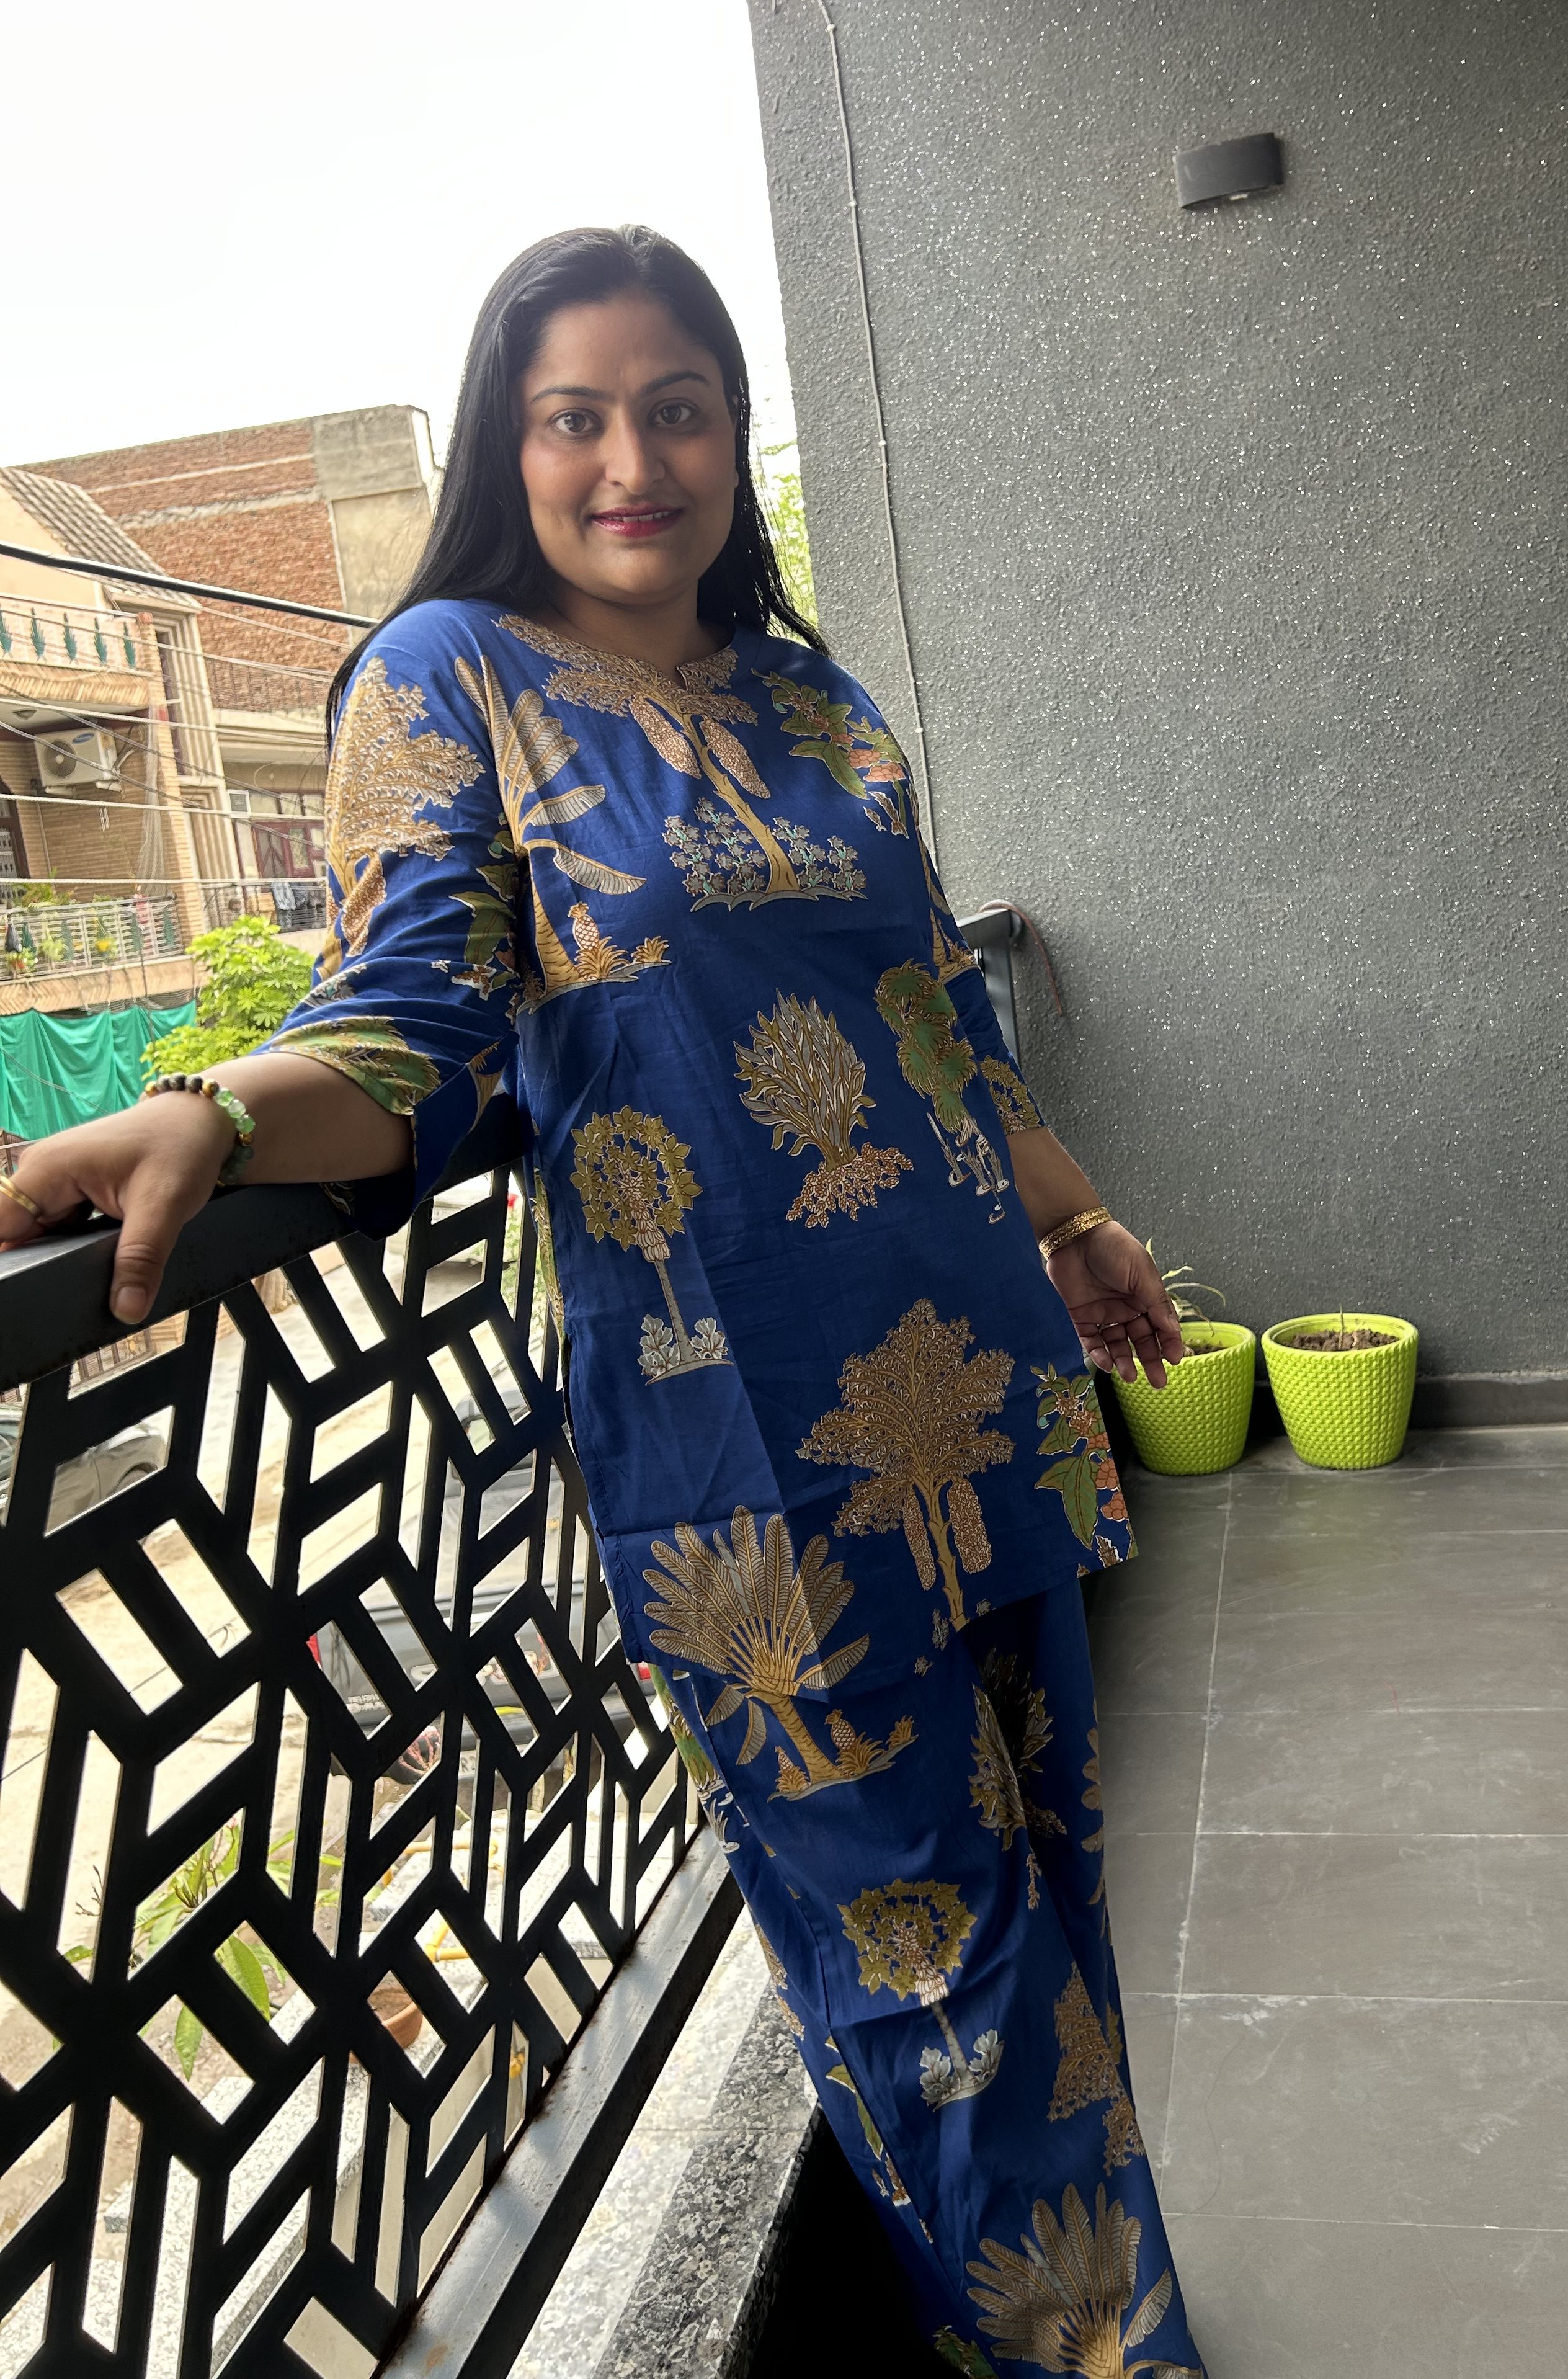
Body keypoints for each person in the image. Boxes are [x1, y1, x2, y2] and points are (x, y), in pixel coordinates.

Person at [0, 226, 1205, 2378]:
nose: (632, 461)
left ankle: (1080, 2329)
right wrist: (215, 1107)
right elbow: (417, 1011)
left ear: (733, 439)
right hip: (749, 1451)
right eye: (577, 417)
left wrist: (1081, 1224)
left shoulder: (814, 696)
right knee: (931, 1984)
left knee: (1052, 1908)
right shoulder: (444, 671)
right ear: (511, 443)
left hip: (988, 1390)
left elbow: (937, 1010)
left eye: (678, 410)